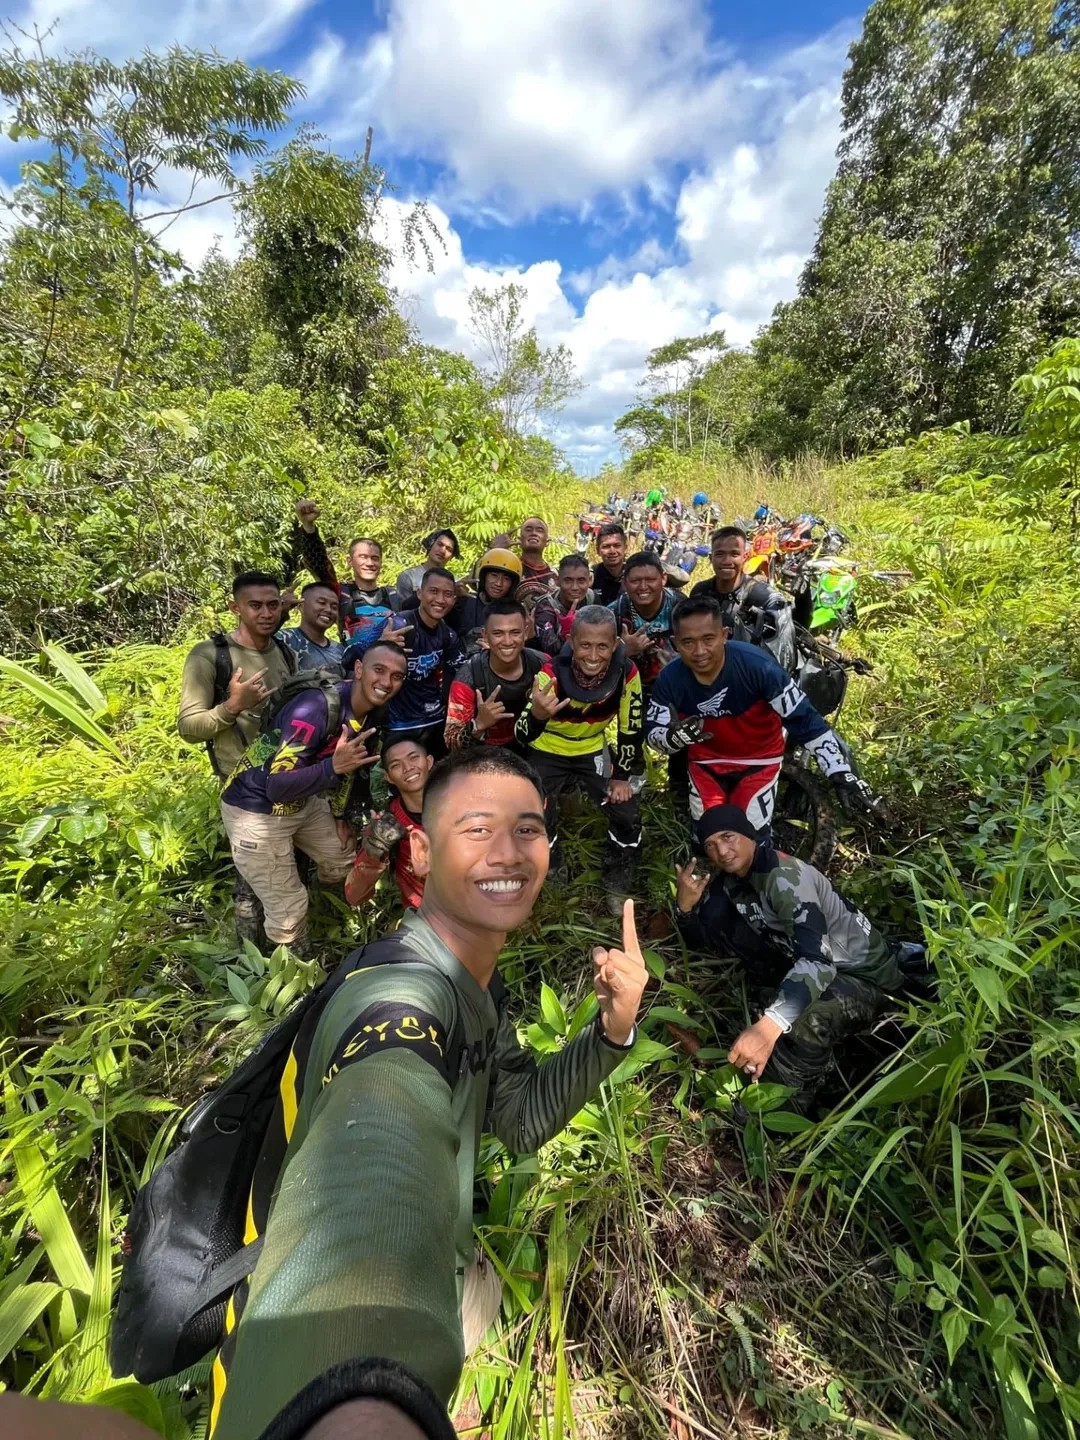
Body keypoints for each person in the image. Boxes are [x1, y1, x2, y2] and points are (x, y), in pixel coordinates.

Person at [208, 747, 648, 1440]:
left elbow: (518, 1121)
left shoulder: (477, 987)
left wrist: (611, 1032)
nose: (508, 852)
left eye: (528, 830)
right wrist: (356, 1403)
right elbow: (378, 1141)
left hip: (442, 1267)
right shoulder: (400, 1000)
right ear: (419, 850)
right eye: (477, 829)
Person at [673, 805, 918, 1112]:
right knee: (769, 994)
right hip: (824, 971)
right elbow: (708, 940)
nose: (722, 851)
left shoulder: (785, 878)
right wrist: (685, 908)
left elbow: (818, 963)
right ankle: (824, 1073)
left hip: (870, 981)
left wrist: (769, 1027)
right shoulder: (734, 883)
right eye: (711, 845)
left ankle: (779, 1111)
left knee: (804, 1018)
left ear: (748, 835)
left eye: (728, 836)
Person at [219, 640, 408, 952]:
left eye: (397, 676)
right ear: (358, 669)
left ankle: (323, 913)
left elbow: (352, 770)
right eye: (379, 670)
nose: (386, 682)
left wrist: (339, 816)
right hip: (255, 807)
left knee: (343, 858)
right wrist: (332, 767)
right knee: (288, 908)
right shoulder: (314, 709)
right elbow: (276, 787)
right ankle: (291, 969)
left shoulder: (373, 713)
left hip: (302, 800)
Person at [646, 595, 880, 829]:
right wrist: (672, 738)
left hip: (759, 760)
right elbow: (653, 733)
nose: (699, 651)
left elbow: (805, 719)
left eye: (708, 639)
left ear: (725, 635)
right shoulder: (670, 678)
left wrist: (839, 771)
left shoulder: (759, 666)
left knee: (749, 837)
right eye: (688, 642)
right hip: (706, 763)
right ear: (675, 643)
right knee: (709, 837)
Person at [177, 571, 298, 946]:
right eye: (255, 605)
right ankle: (249, 957)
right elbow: (188, 727)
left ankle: (284, 944)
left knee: (285, 869)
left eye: (273, 604)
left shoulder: (283, 651)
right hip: (241, 784)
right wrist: (233, 706)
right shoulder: (210, 655)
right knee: (251, 879)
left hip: (285, 776)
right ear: (235, 607)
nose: (266, 613)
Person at [514, 605, 644, 912]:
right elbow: (521, 735)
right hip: (547, 748)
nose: (593, 655)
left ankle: (618, 876)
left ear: (615, 644)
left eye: (602, 646)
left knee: (626, 812)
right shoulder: (550, 674)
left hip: (591, 746)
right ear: (571, 641)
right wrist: (537, 715)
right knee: (535, 812)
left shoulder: (627, 673)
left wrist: (621, 776)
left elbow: (631, 727)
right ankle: (551, 865)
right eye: (585, 645)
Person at [295, 500, 402, 653]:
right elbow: (319, 565)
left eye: (375, 558)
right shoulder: (341, 593)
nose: (370, 563)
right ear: (349, 561)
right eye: (363, 557)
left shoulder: (394, 596)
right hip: (352, 664)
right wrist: (309, 528)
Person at [345, 736, 434, 911]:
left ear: (429, 761)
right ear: (388, 777)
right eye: (395, 765)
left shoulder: (463, 803)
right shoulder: (387, 824)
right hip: (427, 915)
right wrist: (373, 854)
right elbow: (353, 896)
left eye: (413, 757)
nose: (408, 768)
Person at [690, 527, 796, 672]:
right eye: (720, 554)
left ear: (745, 557)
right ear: (711, 558)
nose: (727, 561)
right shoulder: (700, 592)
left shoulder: (764, 596)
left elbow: (785, 655)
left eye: (734, 554)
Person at [386, 569, 467, 758]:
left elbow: (464, 673)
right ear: (419, 593)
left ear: (454, 599)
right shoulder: (397, 624)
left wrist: (488, 656)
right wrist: (379, 644)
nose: (440, 599)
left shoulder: (448, 635)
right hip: (398, 723)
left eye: (448, 594)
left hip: (435, 721)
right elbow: (350, 657)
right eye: (433, 591)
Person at [445, 601, 547, 750]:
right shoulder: (467, 679)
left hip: (534, 746)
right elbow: (451, 742)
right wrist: (478, 725)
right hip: (485, 751)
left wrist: (540, 714)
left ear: (526, 633)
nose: (507, 641)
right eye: (498, 633)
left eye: (515, 632)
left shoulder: (542, 663)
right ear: (485, 635)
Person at [607, 551, 680, 696]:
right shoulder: (613, 614)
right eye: (635, 581)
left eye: (650, 579)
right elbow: (594, 660)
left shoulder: (681, 607)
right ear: (624, 582)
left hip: (675, 690)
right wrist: (623, 651)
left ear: (663, 578)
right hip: (628, 691)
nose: (643, 587)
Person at [438, 548, 522, 648]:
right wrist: (448, 595)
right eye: (494, 575)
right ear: (483, 576)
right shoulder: (463, 603)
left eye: (506, 579)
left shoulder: (515, 613)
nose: (499, 583)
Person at [533, 554, 592, 655]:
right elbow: (551, 650)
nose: (575, 587)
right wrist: (567, 631)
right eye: (568, 581)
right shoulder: (546, 607)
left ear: (589, 580)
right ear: (557, 580)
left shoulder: (591, 597)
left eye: (581, 581)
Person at [279, 582, 345, 673]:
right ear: (301, 606)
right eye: (322, 603)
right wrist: (281, 612)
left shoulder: (340, 650)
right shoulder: (282, 639)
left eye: (334, 607)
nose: (328, 610)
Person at [395, 529, 461, 606]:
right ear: (430, 545)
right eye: (440, 544)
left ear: (452, 556)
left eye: (449, 549)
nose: (443, 551)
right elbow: (403, 608)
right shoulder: (408, 577)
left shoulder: (456, 582)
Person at [515, 517, 557, 607]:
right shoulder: (510, 569)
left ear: (547, 542)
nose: (534, 533)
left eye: (539, 530)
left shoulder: (556, 575)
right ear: (519, 540)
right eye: (528, 530)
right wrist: (495, 550)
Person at [591, 522, 627, 605]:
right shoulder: (591, 576)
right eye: (606, 546)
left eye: (617, 545)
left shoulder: (634, 574)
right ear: (598, 550)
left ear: (625, 548)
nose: (612, 551)